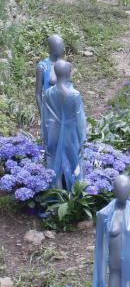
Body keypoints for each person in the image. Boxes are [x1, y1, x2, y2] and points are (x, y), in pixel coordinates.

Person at [92, 175, 130, 287]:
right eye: (119, 189)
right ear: (114, 191)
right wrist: (99, 273)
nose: (123, 192)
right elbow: (99, 248)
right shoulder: (104, 214)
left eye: (125, 189)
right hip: (115, 266)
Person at [42, 60, 86, 190]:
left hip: (54, 132)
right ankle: (75, 197)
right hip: (70, 135)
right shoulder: (74, 94)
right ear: (68, 73)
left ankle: (57, 197)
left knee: (55, 164)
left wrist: (46, 136)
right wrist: (82, 139)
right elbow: (79, 120)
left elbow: (45, 118)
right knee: (74, 164)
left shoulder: (48, 93)